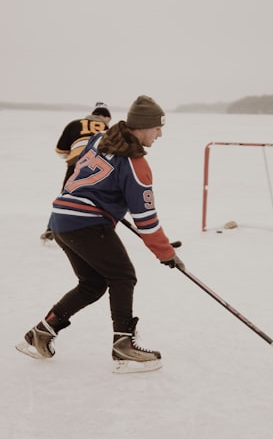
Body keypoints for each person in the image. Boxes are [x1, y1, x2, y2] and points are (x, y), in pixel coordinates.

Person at [17, 95, 184, 373]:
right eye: (157, 128)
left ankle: (41, 333)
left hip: (62, 219)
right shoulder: (136, 164)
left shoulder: (100, 140)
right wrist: (167, 254)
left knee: (92, 284)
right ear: (142, 127)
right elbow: (147, 221)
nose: (160, 134)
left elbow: (78, 176)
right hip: (86, 223)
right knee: (123, 276)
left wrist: (107, 205)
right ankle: (124, 347)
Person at [40, 102, 112, 242]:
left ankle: (51, 229)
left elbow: (60, 151)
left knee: (66, 195)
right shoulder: (108, 129)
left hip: (76, 162)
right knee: (98, 197)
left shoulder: (74, 124)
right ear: (105, 117)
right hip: (100, 166)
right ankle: (98, 230)